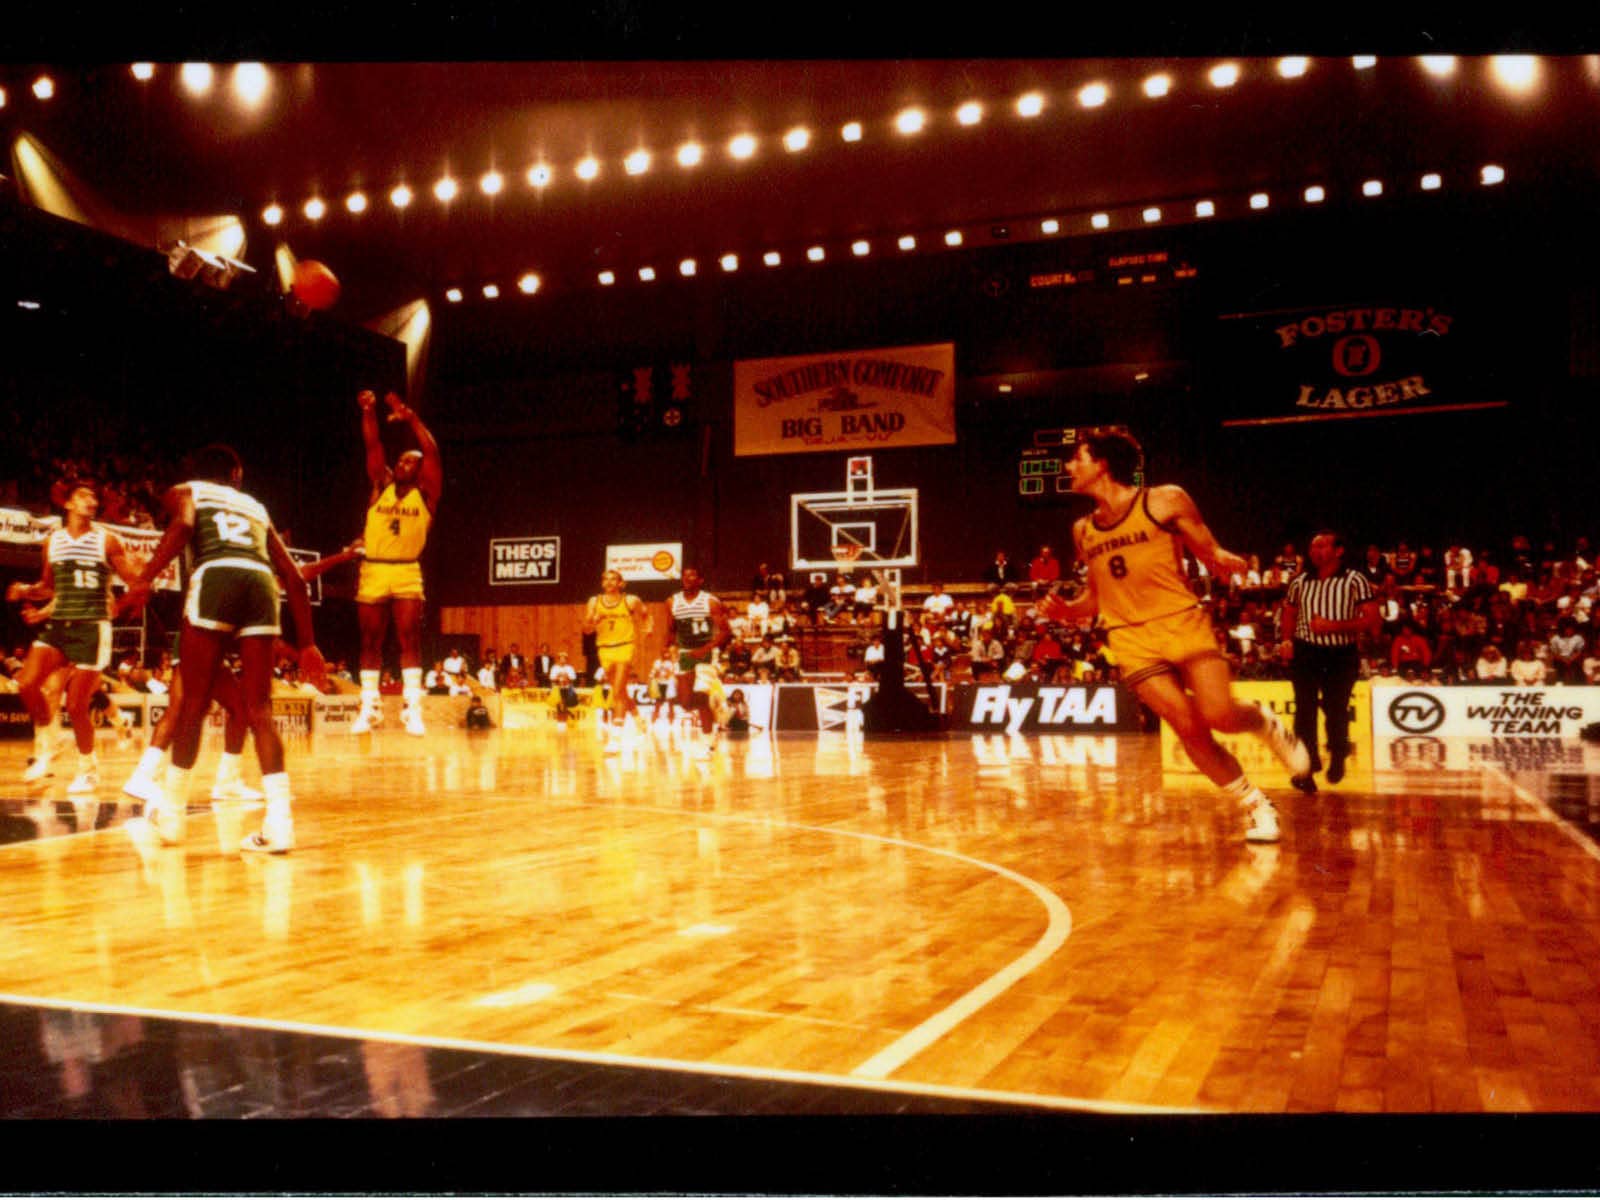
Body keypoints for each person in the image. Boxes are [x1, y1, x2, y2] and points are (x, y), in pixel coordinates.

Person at [1047, 429, 1308, 843]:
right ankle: (1256, 805)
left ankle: (1263, 721)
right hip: (1131, 638)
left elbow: (1208, 548)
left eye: (1077, 458)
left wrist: (1220, 557)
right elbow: (1096, 597)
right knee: (1188, 726)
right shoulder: (1083, 530)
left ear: (1102, 464)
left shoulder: (1163, 499)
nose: (1068, 466)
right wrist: (1068, 610)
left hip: (1180, 620)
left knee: (1219, 714)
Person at [124, 444, 325, 853]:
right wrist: (308, 644)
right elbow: (295, 579)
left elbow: (180, 528)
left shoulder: (186, 490)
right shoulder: (255, 505)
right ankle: (280, 824)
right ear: (236, 474)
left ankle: (174, 816)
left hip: (216, 576)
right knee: (260, 710)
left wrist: (145, 578)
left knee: (193, 705)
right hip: (261, 584)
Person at [6, 480, 141, 793]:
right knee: (26, 683)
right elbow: (48, 586)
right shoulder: (52, 541)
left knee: (78, 705)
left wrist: (122, 604)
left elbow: (137, 583)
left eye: (94, 496)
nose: (90, 500)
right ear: (68, 505)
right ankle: (48, 743)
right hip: (60, 627)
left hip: (92, 629)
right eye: (83, 495)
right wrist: (27, 590)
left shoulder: (108, 541)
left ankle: (89, 768)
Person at [353, 389, 442, 736]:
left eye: (413, 462)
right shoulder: (381, 483)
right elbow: (373, 446)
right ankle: (369, 706)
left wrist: (411, 418)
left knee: (409, 637)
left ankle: (413, 709)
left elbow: (432, 451)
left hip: (406, 569)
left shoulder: (428, 495)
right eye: (403, 459)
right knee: (370, 640)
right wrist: (369, 411)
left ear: (421, 471)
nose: (406, 464)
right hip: (374, 567)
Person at [1279, 530, 1379, 792]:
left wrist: (1333, 626)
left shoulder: (1355, 580)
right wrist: (1286, 640)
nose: (1316, 551)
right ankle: (1307, 766)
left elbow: (1372, 619)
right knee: (1304, 710)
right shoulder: (1300, 581)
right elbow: (1289, 611)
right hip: (1306, 652)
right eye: (1313, 547)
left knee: (1336, 709)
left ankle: (1338, 752)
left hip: (1341, 654)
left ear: (1338, 551)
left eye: (1322, 546)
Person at [582, 568, 654, 752]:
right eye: (606, 579)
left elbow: (645, 614)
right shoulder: (594, 601)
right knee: (619, 691)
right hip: (604, 649)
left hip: (625, 646)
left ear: (621, 583)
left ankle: (616, 736)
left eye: (614, 579)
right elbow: (586, 629)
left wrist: (648, 627)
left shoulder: (630, 600)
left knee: (618, 691)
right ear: (602, 583)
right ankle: (638, 718)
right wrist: (593, 621)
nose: (609, 582)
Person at [665, 566, 731, 755]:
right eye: (684, 575)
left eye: (692, 575)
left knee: (700, 697)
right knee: (685, 702)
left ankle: (707, 743)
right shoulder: (671, 602)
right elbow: (671, 630)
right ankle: (717, 705)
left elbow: (726, 631)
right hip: (684, 654)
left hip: (706, 653)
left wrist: (705, 648)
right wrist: (668, 647)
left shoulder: (710, 602)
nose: (687, 578)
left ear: (700, 580)